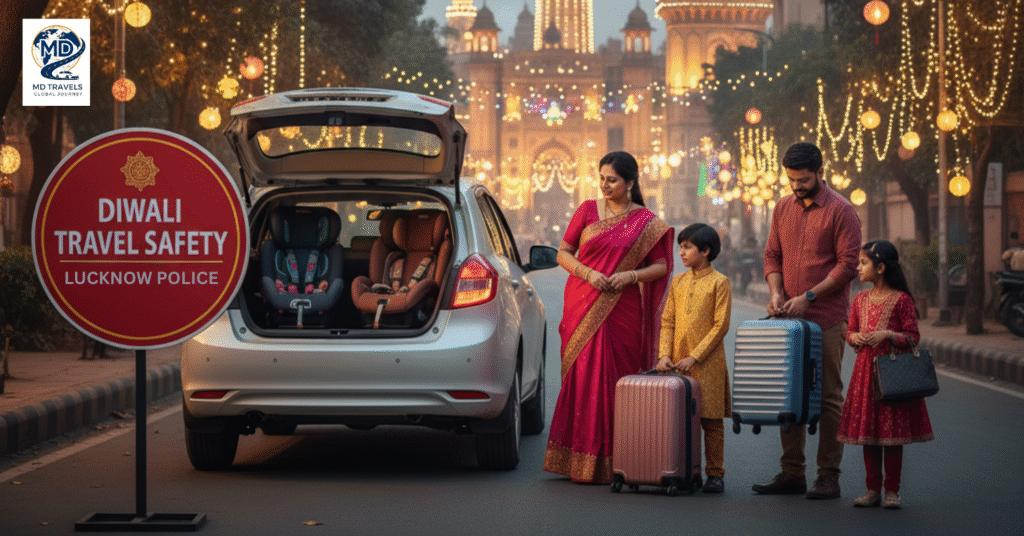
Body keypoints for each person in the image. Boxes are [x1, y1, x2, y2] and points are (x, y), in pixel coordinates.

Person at [543, 151, 674, 483]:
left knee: (618, 379)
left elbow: (660, 266)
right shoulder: (587, 210)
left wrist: (629, 277)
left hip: (623, 307)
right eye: (601, 178)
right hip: (582, 300)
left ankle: (624, 457)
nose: (604, 185)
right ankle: (577, 458)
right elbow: (563, 253)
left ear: (630, 183)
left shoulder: (645, 221)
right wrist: (587, 274)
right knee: (584, 375)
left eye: (612, 179)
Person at [753, 142, 862, 499]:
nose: (796, 185)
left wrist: (809, 297)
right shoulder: (782, 207)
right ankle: (792, 472)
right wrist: (776, 293)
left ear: (819, 172)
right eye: (791, 179)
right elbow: (772, 254)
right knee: (788, 392)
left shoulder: (841, 210)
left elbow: (848, 266)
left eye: (803, 179)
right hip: (787, 317)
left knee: (829, 395)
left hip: (826, 317)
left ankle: (828, 475)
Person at [839, 240, 934, 509]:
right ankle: (872, 489)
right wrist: (854, 337)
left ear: (880, 267)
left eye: (863, 263)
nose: (858, 267)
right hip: (865, 373)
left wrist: (888, 335)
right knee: (869, 433)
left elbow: (913, 337)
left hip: (891, 375)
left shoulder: (902, 300)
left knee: (891, 435)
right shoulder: (859, 300)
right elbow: (850, 333)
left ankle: (892, 490)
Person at [656, 223, 732, 493]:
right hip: (677, 363)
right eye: (681, 247)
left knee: (710, 421)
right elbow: (667, 322)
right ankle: (684, 471)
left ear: (706, 250)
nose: (681, 252)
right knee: (678, 421)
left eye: (687, 247)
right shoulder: (678, 282)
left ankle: (715, 474)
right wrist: (665, 354)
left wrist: (695, 357)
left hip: (707, 364)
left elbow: (720, 326)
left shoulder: (720, 282)